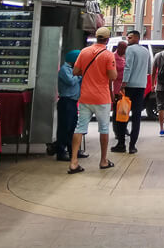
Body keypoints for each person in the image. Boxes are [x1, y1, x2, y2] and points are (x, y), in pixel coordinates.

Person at [68, 26, 117, 174]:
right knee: (103, 129)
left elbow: (75, 71)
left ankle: (73, 162)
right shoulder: (108, 55)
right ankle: (103, 161)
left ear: (96, 37)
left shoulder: (84, 51)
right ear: (107, 39)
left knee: (80, 128)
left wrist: (88, 73)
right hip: (102, 98)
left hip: (85, 97)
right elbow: (113, 76)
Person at [114, 29, 150, 154]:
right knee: (136, 116)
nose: (127, 40)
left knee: (123, 115)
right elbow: (148, 68)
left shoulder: (130, 50)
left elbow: (128, 66)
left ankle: (121, 144)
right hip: (141, 86)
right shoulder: (145, 51)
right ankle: (132, 146)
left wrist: (123, 84)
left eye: (129, 37)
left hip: (129, 86)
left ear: (136, 38)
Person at [54, 49, 82, 161]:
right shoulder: (64, 70)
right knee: (64, 128)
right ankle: (60, 152)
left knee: (72, 128)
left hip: (73, 101)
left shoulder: (72, 69)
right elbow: (70, 81)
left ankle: (73, 151)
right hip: (66, 101)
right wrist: (79, 75)